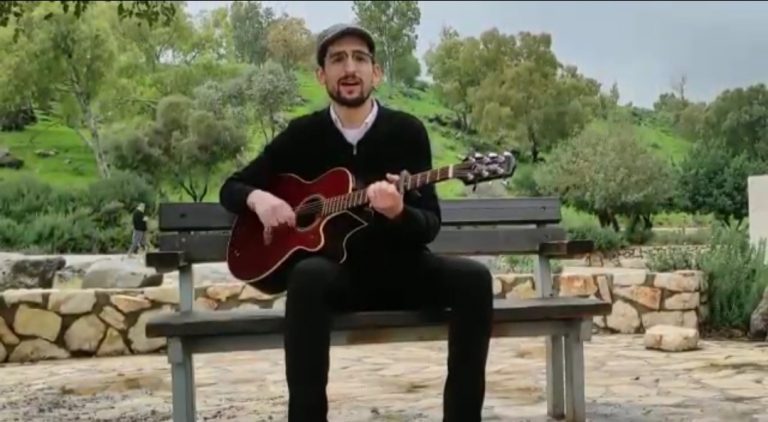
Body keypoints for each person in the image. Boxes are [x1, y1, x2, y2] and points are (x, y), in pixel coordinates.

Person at [218, 23, 493, 422]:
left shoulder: (407, 132)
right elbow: (231, 187)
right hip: (340, 279)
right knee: (307, 277)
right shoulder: (302, 135)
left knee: (475, 279)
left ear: (375, 73)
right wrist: (259, 199)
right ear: (321, 75)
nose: (350, 68)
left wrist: (398, 212)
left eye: (360, 59)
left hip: (402, 272)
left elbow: (430, 224)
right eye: (338, 59)